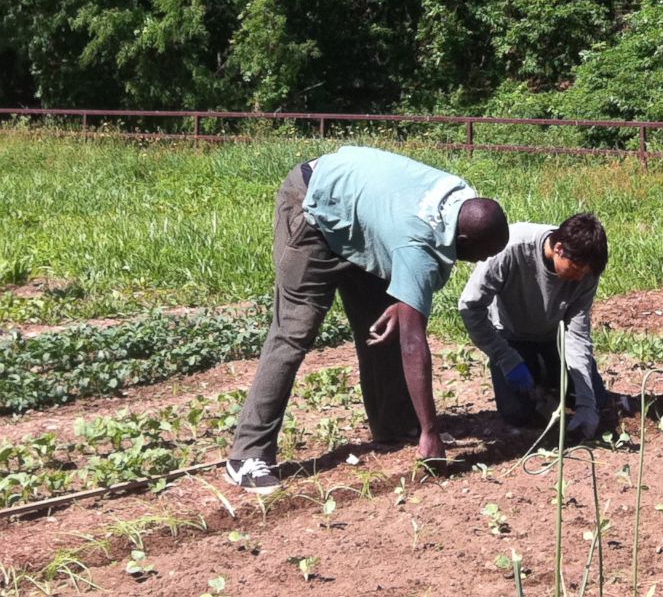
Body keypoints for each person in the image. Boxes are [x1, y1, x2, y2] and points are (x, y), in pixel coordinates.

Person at [227, 146, 509, 493]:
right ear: (463, 238)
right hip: (313, 204)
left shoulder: (461, 199)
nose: (481, 262)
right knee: (294, 332)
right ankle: (248, 454)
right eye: (481, 254)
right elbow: (413, 340)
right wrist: (432, 432)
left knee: (380, 322)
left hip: (356, 213)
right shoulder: (416, 242)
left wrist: (403, 303)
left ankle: (395, 423)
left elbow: (403, 246)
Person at [458, 213, 609, 440]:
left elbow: (576, 333)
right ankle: (537, 378)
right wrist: (505, 358)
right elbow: (470, 306)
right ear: (558, 249)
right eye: (576, 269)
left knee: (597, 399)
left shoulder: (587, 269)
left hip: (553, 338)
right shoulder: (510, 248)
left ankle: (545, 378)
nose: (580, 278)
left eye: (585, 274)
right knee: (517, 414)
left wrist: (586, 402)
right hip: (510, 337)